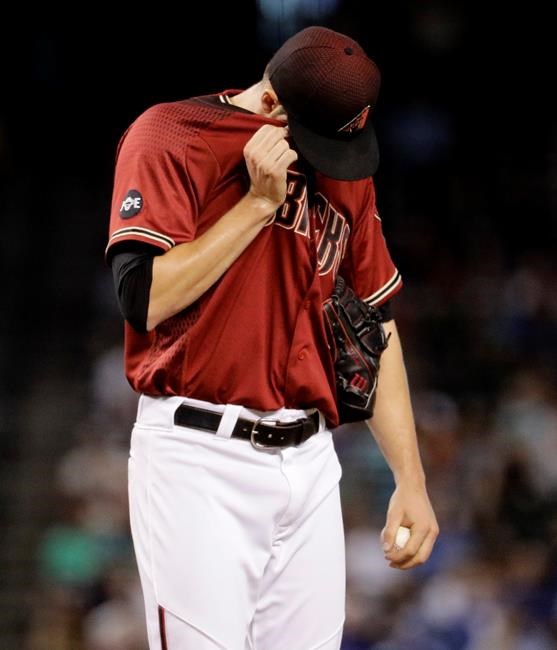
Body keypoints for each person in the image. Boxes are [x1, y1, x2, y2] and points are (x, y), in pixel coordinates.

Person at [105, 25, 438, 650]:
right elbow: (143, 297)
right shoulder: (172, 135)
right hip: (199, 455)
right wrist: (256, 206)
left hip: (311, 462)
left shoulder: (346, 172)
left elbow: (377, 323)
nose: (332, 162)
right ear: (272, 104)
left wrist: (411, 481)